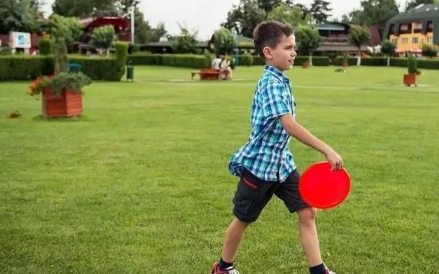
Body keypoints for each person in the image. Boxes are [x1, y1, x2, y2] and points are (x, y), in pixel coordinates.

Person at [210, 21, 344, 274]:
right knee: (244, 218)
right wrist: (326, 149)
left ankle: (319, 271)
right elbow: (289, 125)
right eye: (288, 47)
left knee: (307, 211)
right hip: (260, 167)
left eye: (295, 47)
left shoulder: (280, 80)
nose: (294, 52)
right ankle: (223, 268)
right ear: (269, 52)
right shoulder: (270, 83)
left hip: (282, 165)